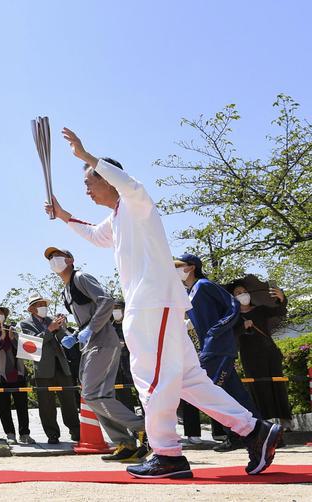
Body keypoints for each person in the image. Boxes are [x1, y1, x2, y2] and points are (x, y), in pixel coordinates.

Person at [45, 128, 281, 478]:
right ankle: (255, 430)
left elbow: (129, 183)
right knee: (189, 380)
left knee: (150, 378)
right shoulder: (118, 217)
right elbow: (96, 236)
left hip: (151, 304)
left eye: (90, 179)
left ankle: (167, 454)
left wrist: (88, 155)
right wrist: (64, 216)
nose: (87, 187)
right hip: (157, 306)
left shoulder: (137, 202)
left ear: (110, 178)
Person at [47, 246, 148, 461]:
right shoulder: (66, 289)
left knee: (92, 394)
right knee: (100, 395)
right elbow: (85, 318)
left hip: (102, 341)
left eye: (58, 256)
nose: (54, 260)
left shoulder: (81, 277)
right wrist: (76, 334)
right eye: (50, 258)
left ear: (70, 259)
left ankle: (142, 427)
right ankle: (125, 443)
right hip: (90, 344)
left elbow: (107, 300)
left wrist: (91, 328)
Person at [175, 253, 260, 452]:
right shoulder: (190, 292)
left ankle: (246, 434)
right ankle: (260, 432)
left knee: (210, 391)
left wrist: (217, 329)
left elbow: (233, 305)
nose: (176, 270)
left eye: (179, 266)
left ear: (192, 267)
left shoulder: (204, 284)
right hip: (210, 348)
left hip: (218, 347)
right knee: (235, 393)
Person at [19, 294, 80, 444]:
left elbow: (65, 340)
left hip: (61, 365)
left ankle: (75, 431)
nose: (43, 307)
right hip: (43, 369)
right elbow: (31, 346)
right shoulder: (25, 324)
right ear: (32, 309)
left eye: (44, 304)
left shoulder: (50, 320)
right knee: (46, 404)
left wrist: (61, 326)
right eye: (39, 305)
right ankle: (52, 434)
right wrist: (49, 329)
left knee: (69, 401)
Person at [229, 280, 292, 426]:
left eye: (244, 291)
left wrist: (282, 298)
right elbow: (230, 335)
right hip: (250, 357)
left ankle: (285, 420)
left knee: (278, 384)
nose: (242, 294)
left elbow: (280, 311)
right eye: (238, 293)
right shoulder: (233, 317)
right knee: (258, 387)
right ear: (233, 298)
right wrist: (242, 327)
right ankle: (265, 421)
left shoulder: (260, 309)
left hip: (270, 352)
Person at [0, 305, 32, 445]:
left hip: (18, 372)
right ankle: (10, 434)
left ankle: (25, 434)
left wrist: (12, 338)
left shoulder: (12, 329)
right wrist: (2, 338)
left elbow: (23, 350)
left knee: (22, 405)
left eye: (1, 313)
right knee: (3, 406)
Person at [112, 299, 138, 411]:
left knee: (140, 392)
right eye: (113, 309)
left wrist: (127, 343)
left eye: (118, 308)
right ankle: (132, 423)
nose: (115, 312)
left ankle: (146, 421)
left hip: (132, 364)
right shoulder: (109, 327)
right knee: (122, 396)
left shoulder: (131, 324)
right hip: (117, 368)